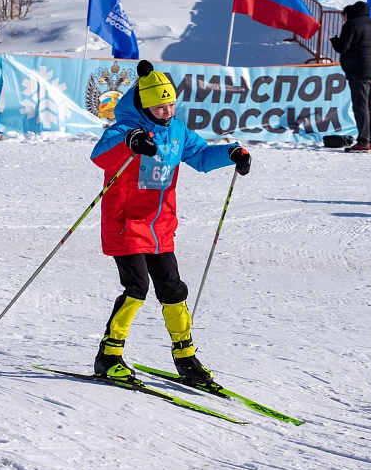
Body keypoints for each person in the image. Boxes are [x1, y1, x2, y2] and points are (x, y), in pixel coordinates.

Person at [90, 60, 251, 384]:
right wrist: (130, 141)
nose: (167, 111)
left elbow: (201, 156)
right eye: (160, 106)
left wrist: (231, 153)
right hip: (125, 223)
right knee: (137, 288)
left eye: (171, 105)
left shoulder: (177, 131)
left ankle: (186, 358)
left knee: (173, 289)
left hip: (160, 225)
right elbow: (100, 155)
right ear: (145, 104)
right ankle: (108, 356)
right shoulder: (124, 129)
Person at [329, 2, 371, 153]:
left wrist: (335, 41)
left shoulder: (352, 25)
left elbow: (343, 47)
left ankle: (363, 143)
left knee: (360, 106)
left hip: (358, 69)